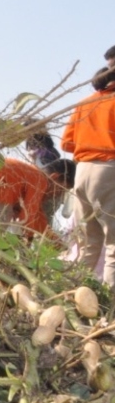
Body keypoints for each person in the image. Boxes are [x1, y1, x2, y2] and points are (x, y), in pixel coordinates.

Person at [61, 56, 115, 283]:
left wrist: (90, 142)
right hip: (108, 170)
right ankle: (111, 299)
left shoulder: (84, 104)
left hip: (82, 172)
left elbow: (66, 144)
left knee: (88, 243)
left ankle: (73, 291)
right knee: (113, 244)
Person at [0, 157, 73, 239]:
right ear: (54, 177)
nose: (58, 195)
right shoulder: (40, 180)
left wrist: (56, 243)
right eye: (61, 190)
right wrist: (27, 242)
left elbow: (37, 218)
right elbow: (28, 219)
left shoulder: (28, 173)